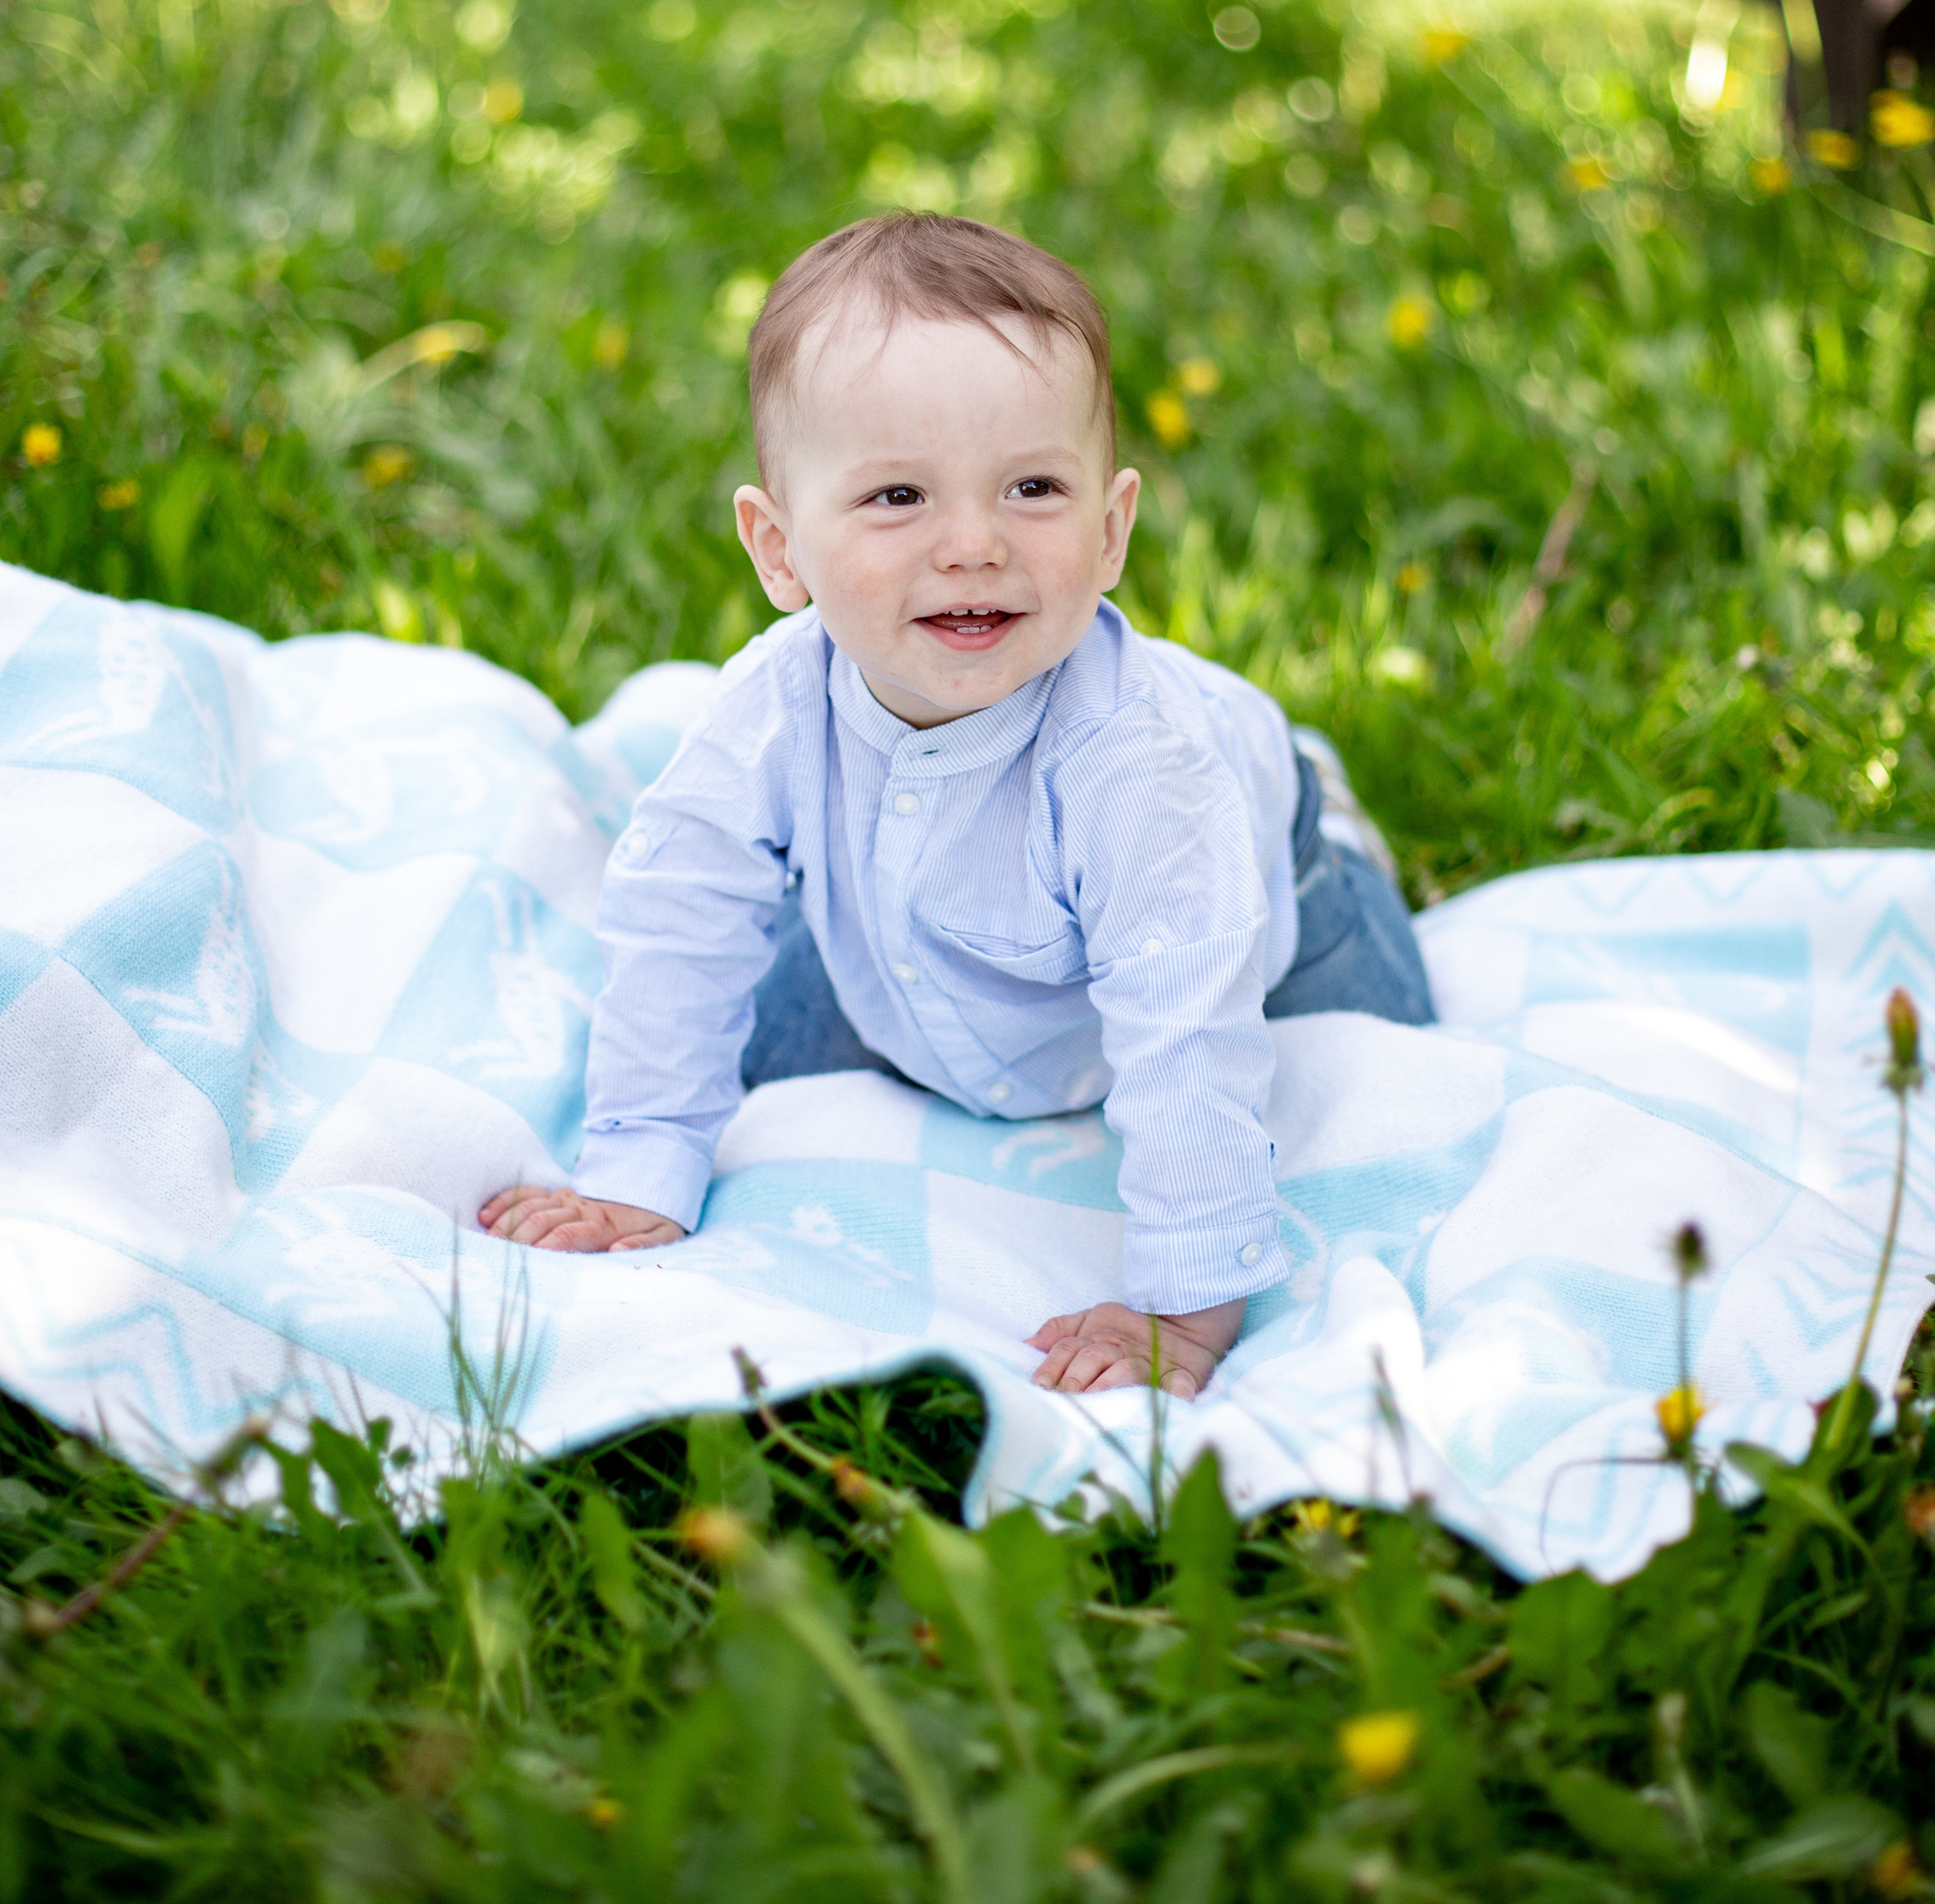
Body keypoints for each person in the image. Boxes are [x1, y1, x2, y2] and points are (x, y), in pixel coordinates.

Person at [481, 213, 1433, 1396]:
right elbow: (681, 913)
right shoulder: (773, 708)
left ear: (1111, 530)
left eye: (1033, 488)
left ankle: (1325, 803)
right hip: (906, 934)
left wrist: (1184, 1312)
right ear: (780, 550)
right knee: (766, 1048)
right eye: (898, 496)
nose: (974, 543)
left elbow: (1187, 1031)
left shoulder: (1139, 771)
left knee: (1385, 1073)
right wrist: (640, 1170)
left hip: (1255, 882)